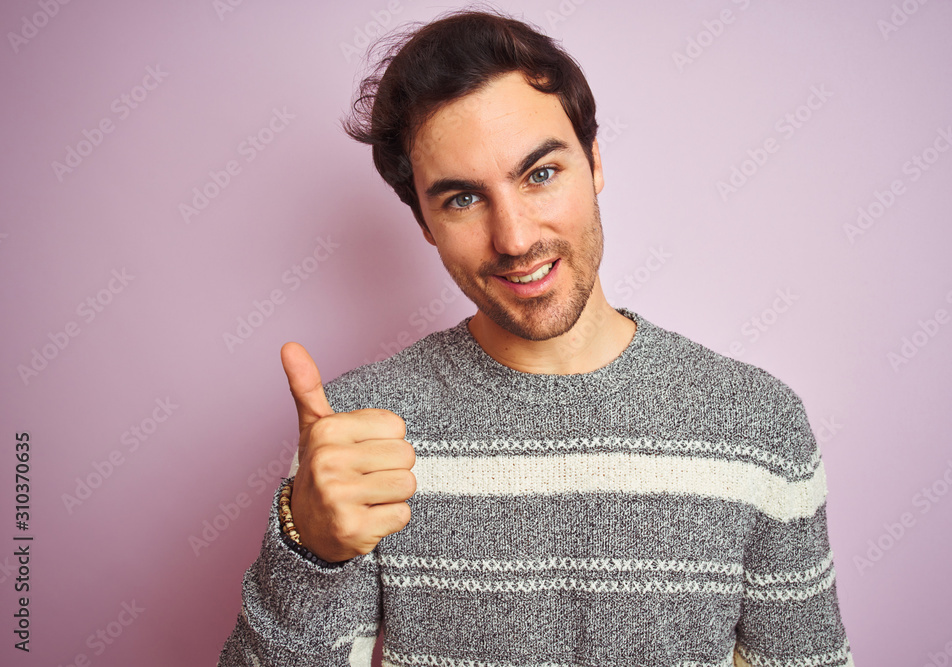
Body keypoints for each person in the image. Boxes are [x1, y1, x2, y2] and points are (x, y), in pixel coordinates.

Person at [218, 9, 854, 667]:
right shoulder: (358, 438)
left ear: (594, 161)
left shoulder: (757, 423)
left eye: (540, 173)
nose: (516, 237)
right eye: (462, 199)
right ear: (426, 225)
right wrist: (308, 550)